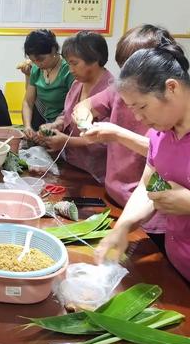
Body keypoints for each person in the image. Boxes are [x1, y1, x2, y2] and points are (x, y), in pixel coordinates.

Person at [73, 25, 176, 246]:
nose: (139, 118)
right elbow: (85, 106)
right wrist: (84, 122)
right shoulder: (121, 89)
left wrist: (117, 134)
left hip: (151, 217)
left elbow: (160, 154)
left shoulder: (170, 111)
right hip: (119, 199)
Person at [95, 44, 190, 282]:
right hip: (178, 265)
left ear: (171, 88)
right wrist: (123, 227)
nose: (138, 118)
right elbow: (148, 186)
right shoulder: (160, 132)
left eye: (142, 107)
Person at [38, 32, 113, 183]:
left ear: (95, 59)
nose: (70, 69)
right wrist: (55, 125)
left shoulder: (111, 90)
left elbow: (108, 139)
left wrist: (67, 141)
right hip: (72, 163)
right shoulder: (77, 83)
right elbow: (67, 113)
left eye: (74, 63)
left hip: (95, 172)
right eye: (68, 63)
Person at [22, 29, 74, 137]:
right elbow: (28, 102)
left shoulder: (68, 71)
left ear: (54, 50)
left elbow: (73, 109)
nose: (37, 64)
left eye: (41, 59)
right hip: (43, 120)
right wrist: (27, 126)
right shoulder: (36, 69)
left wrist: (55, 126)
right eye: (33, 60)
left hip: (66, 125)